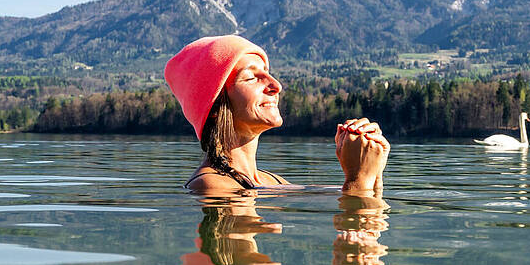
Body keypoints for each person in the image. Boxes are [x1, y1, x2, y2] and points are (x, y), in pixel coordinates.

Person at [164, 35, 389, 194]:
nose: (276, 85)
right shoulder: (211, 185)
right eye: (252, 78)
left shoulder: (269, 181)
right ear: (214, 109)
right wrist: (359, 180)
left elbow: (355, 193)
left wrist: (371, 165)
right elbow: (236, 259)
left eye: (269, 74)